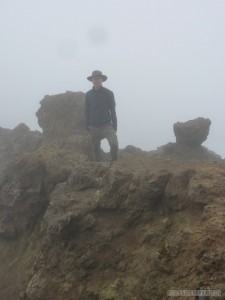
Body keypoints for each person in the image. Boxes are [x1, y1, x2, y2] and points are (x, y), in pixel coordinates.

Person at [85, 70, 118, 162]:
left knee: (114, 144)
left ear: (102, 80)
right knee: (96, 149)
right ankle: (98, 166)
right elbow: (87, 111)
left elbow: (112, 110)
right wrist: (86, 127)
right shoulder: (88, 95)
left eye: (98, 78)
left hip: (106, 125)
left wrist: (115, 126)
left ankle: (114, 162)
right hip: (93, 126)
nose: (96, 80)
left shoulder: (109, 93)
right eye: (94, 78)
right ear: (92, 80)